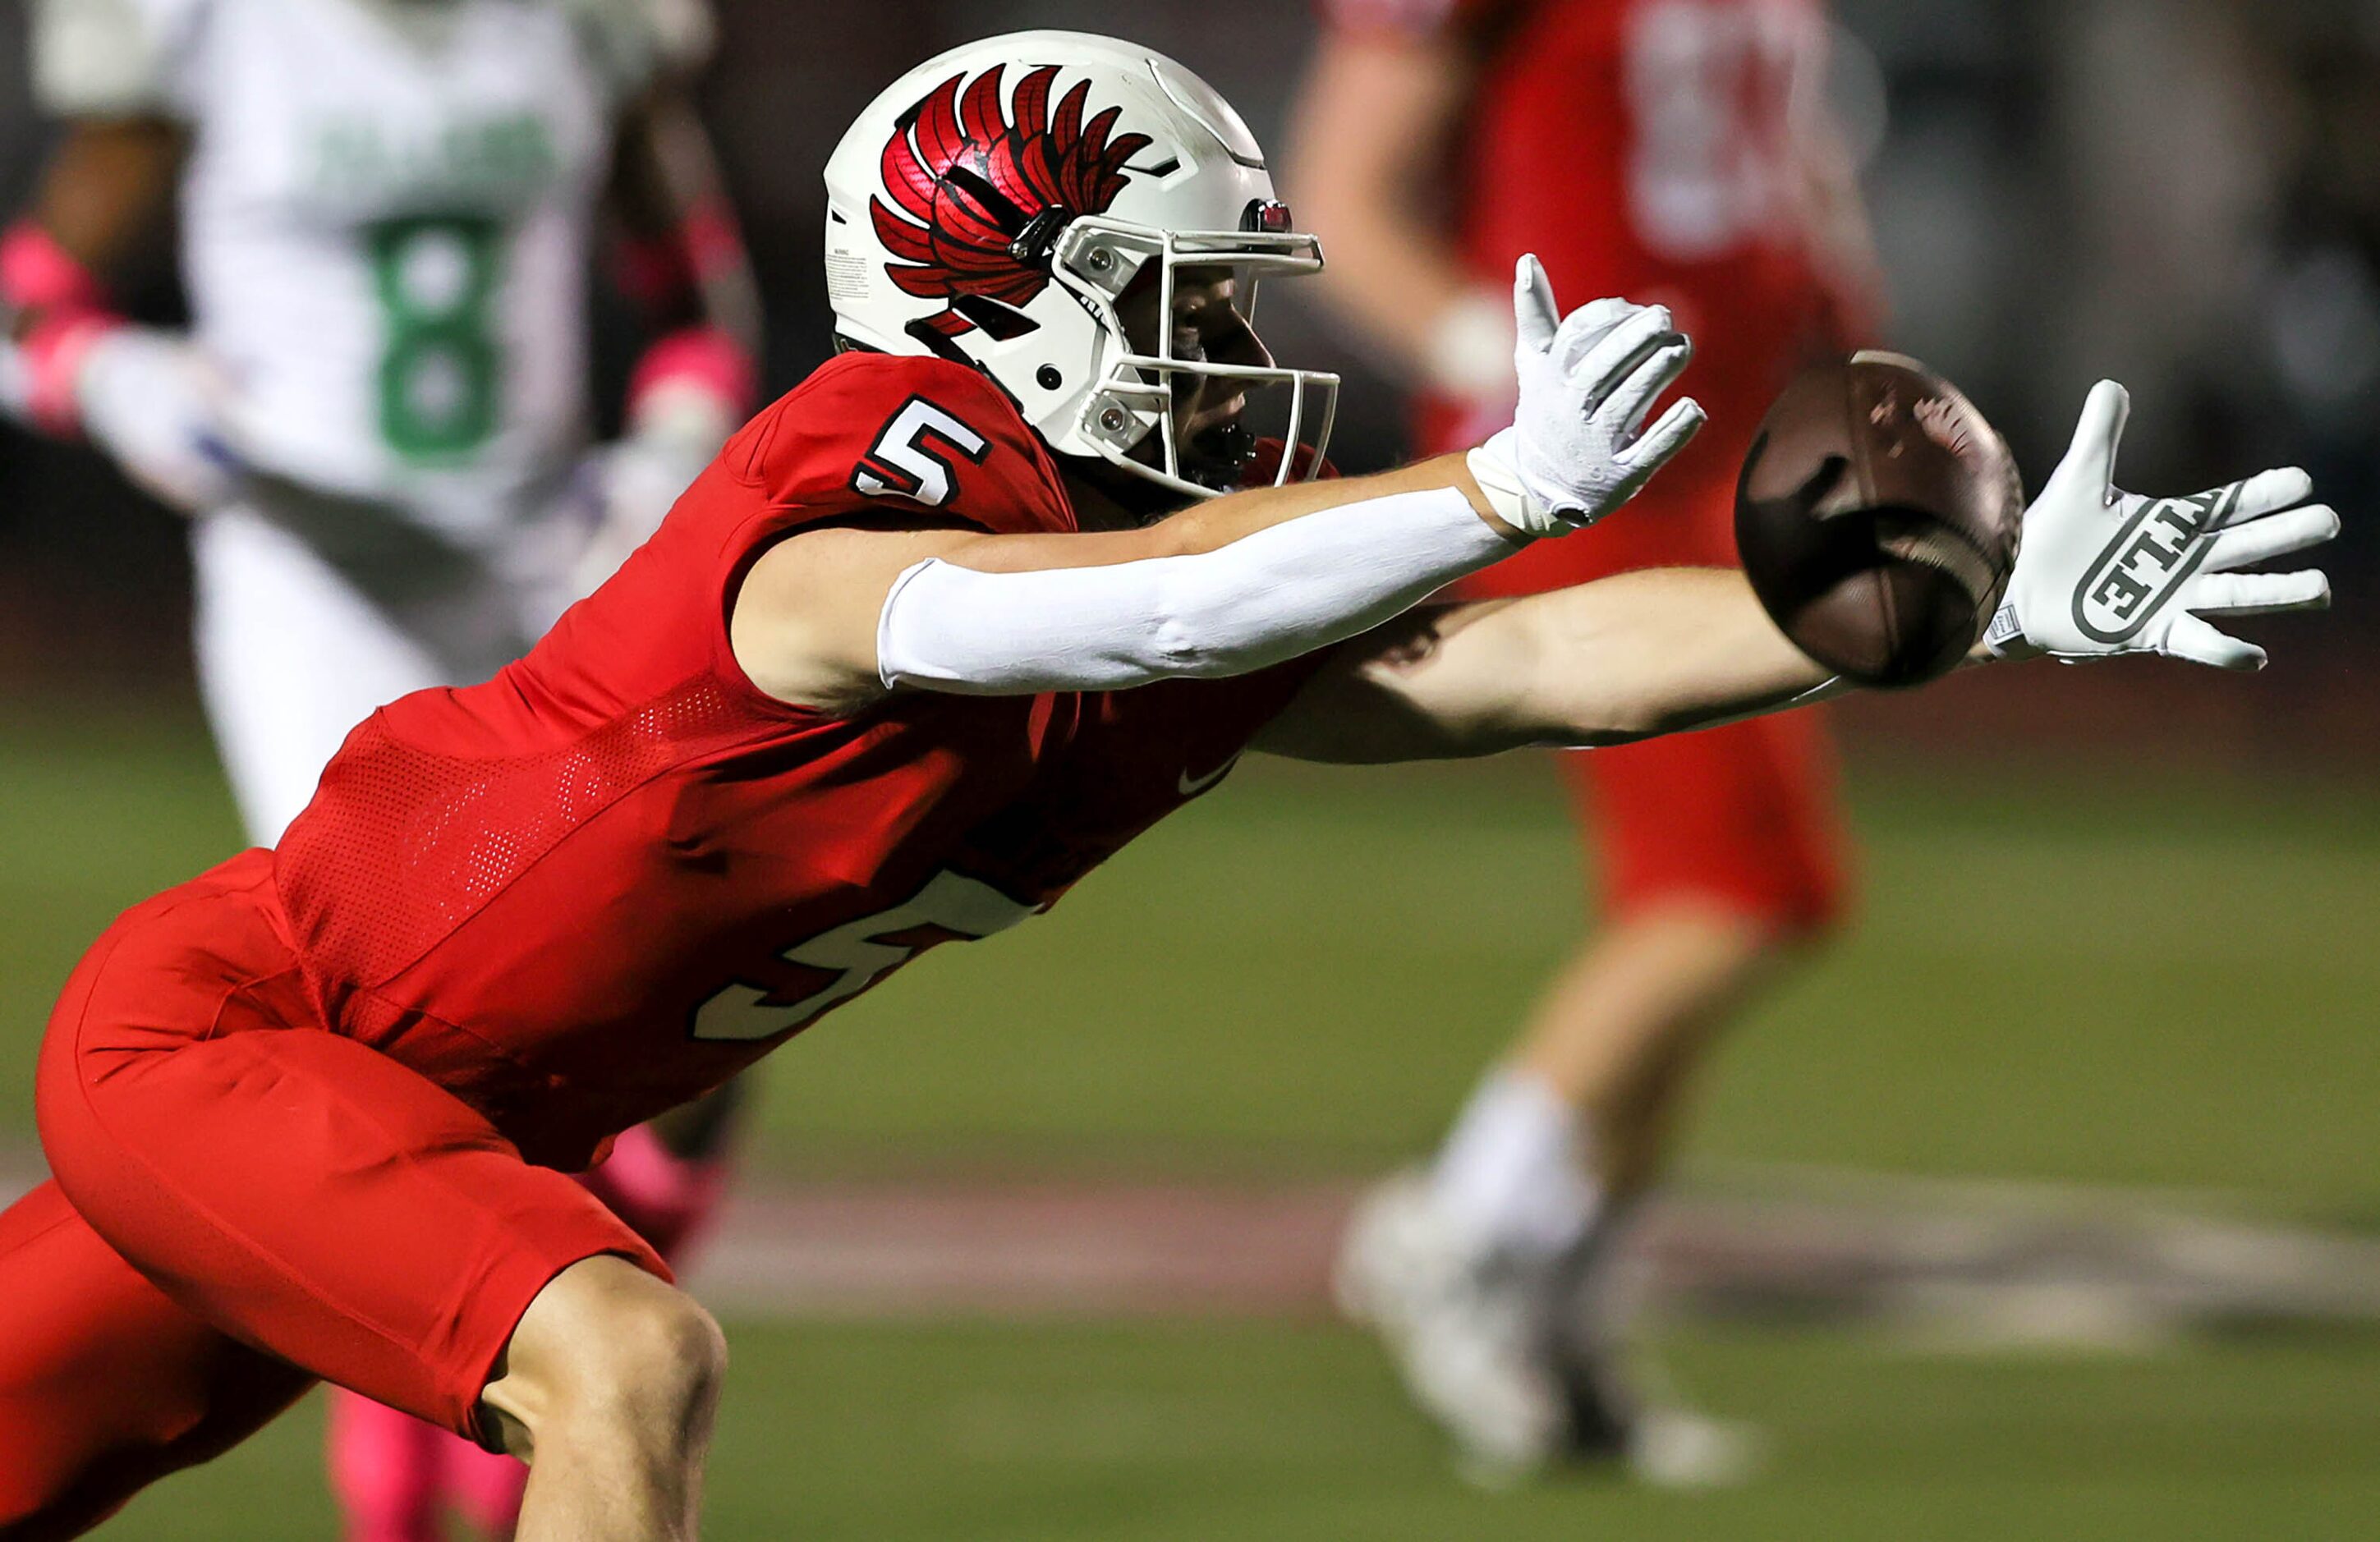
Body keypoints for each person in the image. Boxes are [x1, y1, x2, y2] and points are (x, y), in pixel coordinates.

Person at [0, 29, 2336, 1541]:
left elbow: (1511, 666)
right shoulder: (850, 497)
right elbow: (1115, 611)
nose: (1230, 356)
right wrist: (1492, 479)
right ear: (1004, 299)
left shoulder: (1149, 590)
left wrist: (1954, 608)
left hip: (414, 1107)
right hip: (232, 1042)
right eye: (1180, 302)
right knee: (630, 1342)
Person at [0, 1, 760, 1536]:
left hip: (547, 569)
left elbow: (697, 296)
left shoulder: (579, 26)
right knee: (397, 1050)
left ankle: (529, 1442)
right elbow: (29, 306)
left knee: (707, 998)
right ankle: (411, 1503)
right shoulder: (212, 28)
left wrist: (673, 439)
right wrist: (125, 383)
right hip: (316, 579)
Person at [1287, 0, 1884, 1478]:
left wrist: (1854, 352)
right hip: (1598, 449)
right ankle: (1466, 1230)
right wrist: (1477, 351)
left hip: (1736, 427)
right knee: (1743, 890)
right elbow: (1339, 186)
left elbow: (1786, 160)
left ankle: (1553, 1322)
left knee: (1711, 892)